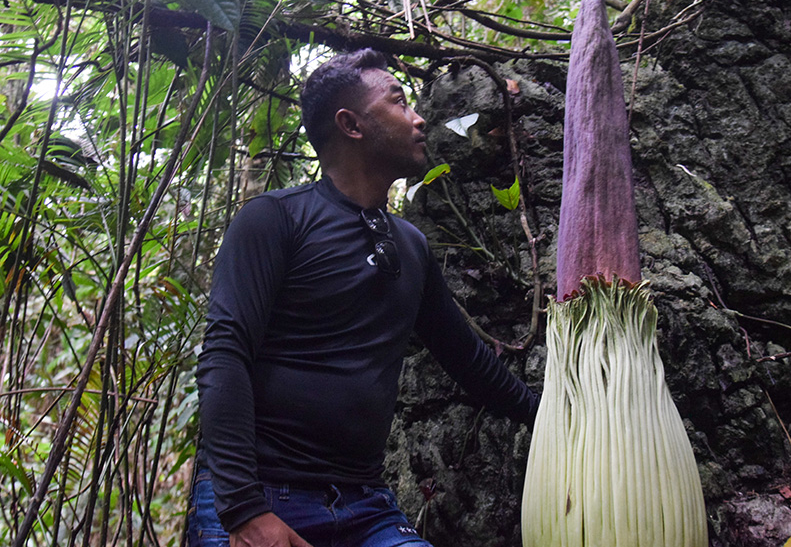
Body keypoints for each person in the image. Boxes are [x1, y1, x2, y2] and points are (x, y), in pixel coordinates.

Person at [188, 48, 539, 547]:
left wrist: (556, 418)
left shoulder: (411, 245)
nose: (419, 119)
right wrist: (245, 511)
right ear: (351, 124)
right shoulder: (275, 219)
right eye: (398, 103)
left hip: (365, 505)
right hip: (263, 500)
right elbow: (225, 355)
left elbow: (468, 360)